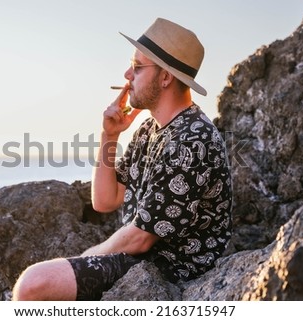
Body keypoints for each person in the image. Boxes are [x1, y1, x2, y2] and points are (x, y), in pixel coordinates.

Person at [12, 17, 232, 301]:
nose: (127, 74)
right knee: (40, 277)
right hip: (143, 258)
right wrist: (109, 136)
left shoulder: (192, 140)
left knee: (34, 284)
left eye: (138, 67)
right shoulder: (150, 128)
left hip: (173, 272)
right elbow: (105, 200)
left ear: (165, 77)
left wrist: (87, 256)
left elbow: (141, 237)